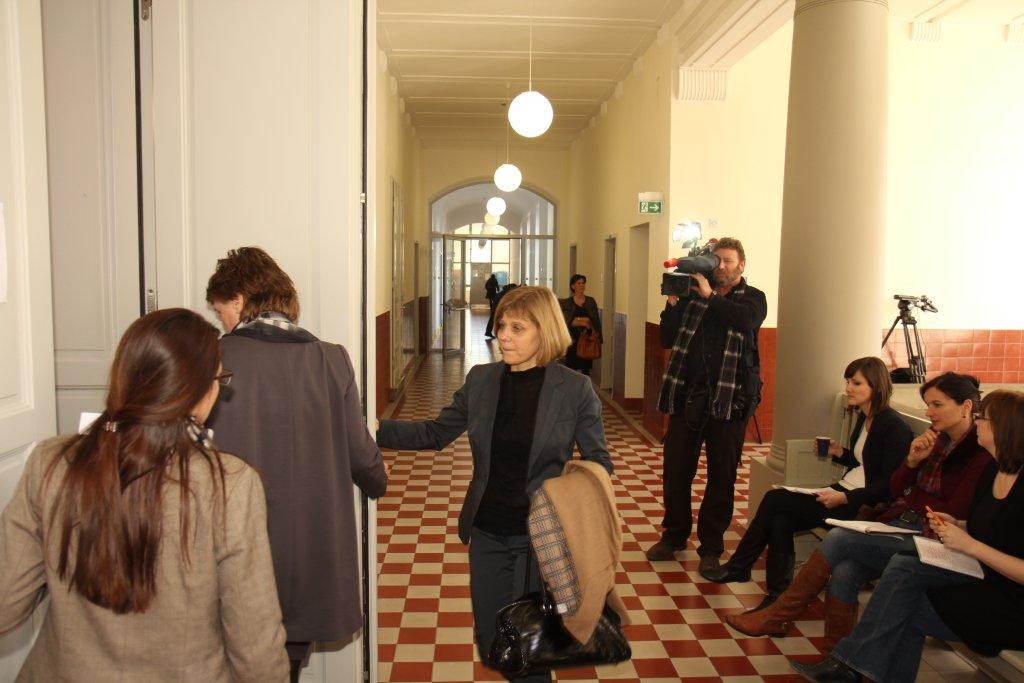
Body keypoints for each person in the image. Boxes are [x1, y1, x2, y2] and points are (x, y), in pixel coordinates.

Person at [0, 309, 288, 681]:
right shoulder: (229, 485)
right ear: (196, 390)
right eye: (219, 379)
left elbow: (6, 603)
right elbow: (255, 646)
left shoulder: (51, 463)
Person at [377, 286, 612, 683]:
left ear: (545, 331)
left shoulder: (574, 389)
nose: (503, 336)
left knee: (528, 653)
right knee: (493, 642)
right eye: (502, 325)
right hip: (487, 532)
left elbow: (599, 463)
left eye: (517, 328)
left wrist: (561, 497)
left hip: (538, 539)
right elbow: (435, 433)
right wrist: (369, 429)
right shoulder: (482, 380)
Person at [205, 247, 388, 682]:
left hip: (236, 550)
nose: (221, 322)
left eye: (219, 311)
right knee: (285, 664)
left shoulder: (211, 360)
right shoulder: (331, 359)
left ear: (238, 300)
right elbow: (360, 454)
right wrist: (377, 480)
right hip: (308, 551)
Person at [725, 372, 990, 652]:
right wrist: (912, 462)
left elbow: (950, 511)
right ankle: (837, 655)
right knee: (843, 569)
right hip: (900, 522)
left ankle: (778, 614)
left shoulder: (977, 453)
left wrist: (905, 495)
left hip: (931, 536)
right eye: (928, 405)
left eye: (937, 405)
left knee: (838, 538)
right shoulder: (938, 441)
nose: (929, 412)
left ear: (966, 407)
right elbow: (897, 487)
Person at [791, 390, 1024, 683]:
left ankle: (846, 664)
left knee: (901, 604)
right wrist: (959, 525)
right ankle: (846, 666)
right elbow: (992, 528)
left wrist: (972, 545)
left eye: (983, 418)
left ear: (1005, 428)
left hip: (1011, 604)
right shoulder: (992, 470)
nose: (976, 422)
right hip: (980, 576)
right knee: (903, 574)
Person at [702, 356, 913, 601]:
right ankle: (776, 594)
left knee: (775, 498)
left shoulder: (893, 426)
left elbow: (888, 485)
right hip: (841, 491)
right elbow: (864, 464)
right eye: (847, 381)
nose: (848, 388)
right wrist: (840, 453)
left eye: (856, 383)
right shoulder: (866, 417)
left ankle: (740, 567)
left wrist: (844, 498)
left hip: (859, 505)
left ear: (876, 385)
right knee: (781, 520)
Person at [645, 237, 767, 574]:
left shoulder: (753, 298)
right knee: (676, 472)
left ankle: (711, 548)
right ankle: (673, 536)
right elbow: (667, 339)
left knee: (721, 477)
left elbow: (743, 321)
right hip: (687, 397)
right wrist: (673, 302)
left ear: (742, 265)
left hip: (730, 402)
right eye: (717, 261)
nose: (721, 266)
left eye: (728, 261)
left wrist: (709, 296)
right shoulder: (692, 296)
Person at [559, 274, 603, 376]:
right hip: (572, 340)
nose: (582, 285)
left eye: (583, 283)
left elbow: (593, 320)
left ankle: (584, 386)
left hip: (587, 340)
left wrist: (578, 320)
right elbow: (566, 321)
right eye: (579, 283)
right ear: (573, 286)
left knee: (585, 369)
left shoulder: (590, 301)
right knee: (571, 369)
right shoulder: (567, 303)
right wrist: (583, 321)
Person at [485, 272, 500, 338]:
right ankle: (492, 307)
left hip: (490, 292)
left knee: (491, 301)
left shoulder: (489, 280)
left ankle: (492, 307)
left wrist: (488, 289)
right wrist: (498, 289)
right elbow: (497, 285)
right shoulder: (494, 280)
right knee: (493, 300)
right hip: (493, 292)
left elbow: (486, 286)